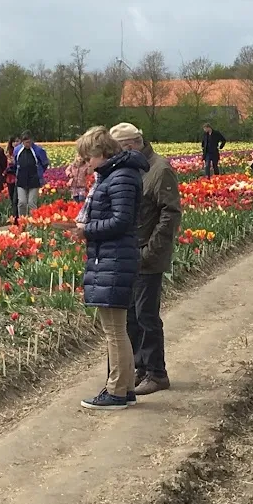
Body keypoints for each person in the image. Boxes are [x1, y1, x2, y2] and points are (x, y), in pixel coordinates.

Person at [75, 126, 146, 410]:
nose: (86, 163)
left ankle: (116, 391)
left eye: (88, 157)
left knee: (114, 331)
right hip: (111, 257)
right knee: (118, 329)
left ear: (102, 153)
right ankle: (125, 387)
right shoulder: (118, 175)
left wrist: (86, 230)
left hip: (115, 259)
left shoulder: (121, 177)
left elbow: (121, 221)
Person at [111, 122, 181, 395]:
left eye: (117, 150)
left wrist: (151, 251)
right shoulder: (135, 168)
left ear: (130, 145)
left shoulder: (159, 169)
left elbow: (170, 214)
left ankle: (157, 372)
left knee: (146, 315)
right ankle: (140, 367)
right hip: (131, 253)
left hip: (148, 254)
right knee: (131, 315)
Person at [12, 131, 50, 219]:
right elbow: (15, 163)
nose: (27, 144)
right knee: (22, 202)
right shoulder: (17, 150)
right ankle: (22, 221)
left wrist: (39, 173)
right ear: (22, 142)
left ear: (32, 141)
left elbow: (45, 163)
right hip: (21, 180)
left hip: (34, 180)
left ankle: (33, 223)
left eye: (29, 142)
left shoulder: (38, 150)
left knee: (31, 203)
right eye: (25, 142)